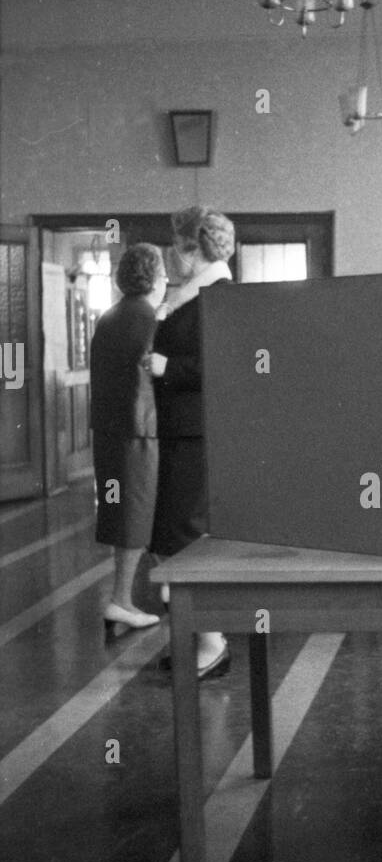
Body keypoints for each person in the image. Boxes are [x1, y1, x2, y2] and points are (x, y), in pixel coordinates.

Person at [150, 207, 235, 678]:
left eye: (178, 245)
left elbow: (226, 366)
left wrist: (170, 369)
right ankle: (201, 639)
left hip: (198, 430)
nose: (172, 254)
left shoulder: (218, 296)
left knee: (185, 536)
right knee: (173, 535)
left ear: (195, 248)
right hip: (180, 429)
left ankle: (212, 644)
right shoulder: (189, 294)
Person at [90, 242, 167, 630]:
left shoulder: (109, 316)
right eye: (163, 272)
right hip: (140, 431)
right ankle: (121, 599)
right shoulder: (152, 318)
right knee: (136, 516)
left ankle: (149, 586)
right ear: (153, 277)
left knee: (123, 513)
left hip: (108, 432)